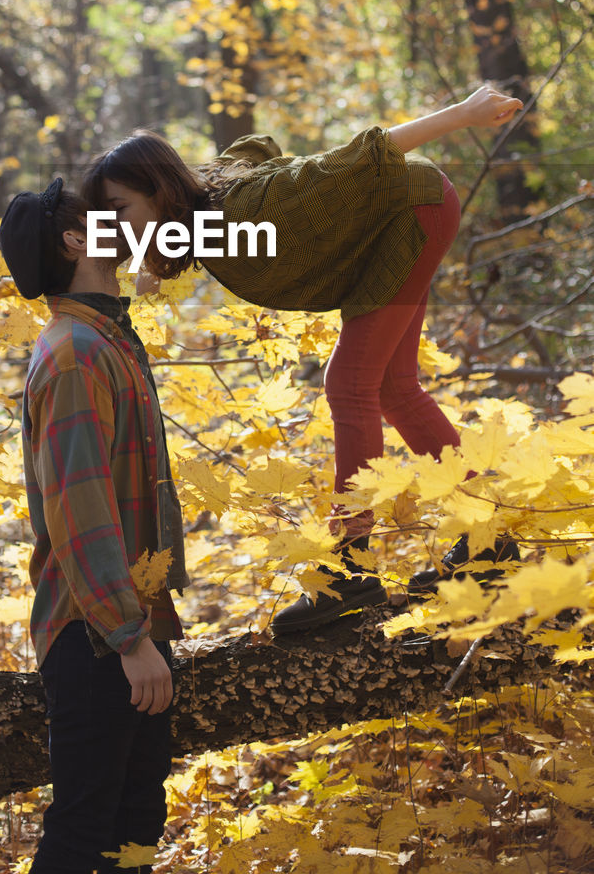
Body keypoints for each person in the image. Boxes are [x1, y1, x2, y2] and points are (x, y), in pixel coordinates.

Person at [80, 86, 523, 633]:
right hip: (410, 212)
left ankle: (349, 572)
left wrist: (465, 114)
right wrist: (146, 257)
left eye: (120, 210)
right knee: (391, 387)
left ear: (161, 191)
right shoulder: (205, 211)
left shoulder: (252, 210)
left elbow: (368, 153)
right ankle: (490, 538)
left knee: (350, 384)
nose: (117, 226)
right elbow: (255, 147)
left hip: (414, 210)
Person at [0, 177, 187, 872]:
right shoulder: (75, 353)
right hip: (95, 635)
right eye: (102, 216)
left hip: (127, 624)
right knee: (83, 838)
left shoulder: (105, 336)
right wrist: (128, 636)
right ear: (78, 240)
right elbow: (78, 510)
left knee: (134, 826)